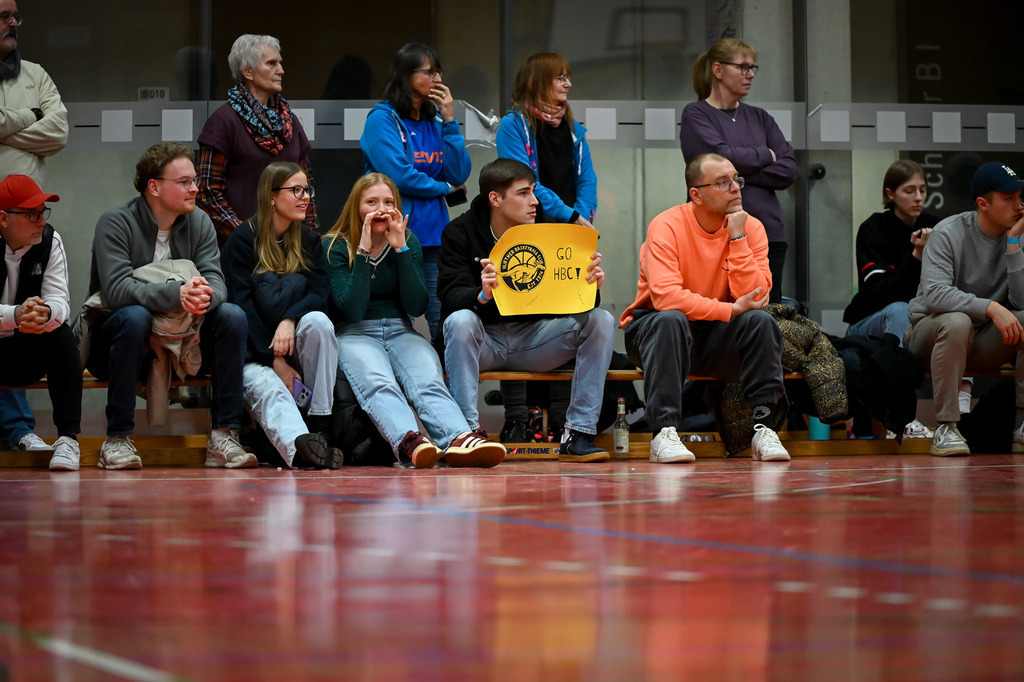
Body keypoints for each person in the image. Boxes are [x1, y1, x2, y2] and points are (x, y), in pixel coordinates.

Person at [86, 142, 253, 470]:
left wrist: (202, 295)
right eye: (185, 182)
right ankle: (116, 441)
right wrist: (177, 294)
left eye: (195, 181)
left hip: (184, 341)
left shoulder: (200, 222)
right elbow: (118, 291)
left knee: (232, 315)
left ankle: (223, 436)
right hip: (118, 342)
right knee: (134, 317)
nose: (195, 189)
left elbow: (218, 284)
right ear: (155, 187)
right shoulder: (115, 223)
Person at [437, 158, 615, 463]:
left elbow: (575, 303)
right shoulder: (460, 231)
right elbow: (449, 297)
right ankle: (464, 434)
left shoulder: (550, 232)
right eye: (523, 193)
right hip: (486, 341)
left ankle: (578, 434)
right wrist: (481, 294)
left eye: (533, 192)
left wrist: (590, 288)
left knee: (601, 319)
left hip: (537, 341)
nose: (534, 201)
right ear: (495, 199)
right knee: (460, 320)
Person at [323, 173, 505, 468]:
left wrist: (401, 249)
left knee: (428, 378)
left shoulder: (408, 242)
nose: (381, 209)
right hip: (354, 332)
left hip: (400, 330)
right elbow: (352, 309)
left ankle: (460, 438)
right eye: (371, 202)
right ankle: (410, 441)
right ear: (356, 207)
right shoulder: (333, 246)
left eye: (388, 202)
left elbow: (417, 305)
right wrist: (364, 249)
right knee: (378, 381)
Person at [621, 153, 790, 463]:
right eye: (722, 182)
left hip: (715, 337)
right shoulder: (666, 225)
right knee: (670, 319)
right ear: (695, 194)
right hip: (655, 331)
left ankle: (764, 429)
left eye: (736, 179)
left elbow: (755, 296)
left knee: (761, 322)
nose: (735, 188)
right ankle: (664, 433)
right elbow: (665, 299)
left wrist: (737, 237)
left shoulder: (751, 228)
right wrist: (729, 310)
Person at [495, 52, 597, 442]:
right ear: (538, 81)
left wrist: (582, 217)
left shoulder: (575, 129)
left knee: (574, 317)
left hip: (571, 236)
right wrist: (568, 215)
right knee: (519, 316)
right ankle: (517, 418)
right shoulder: (513, 125)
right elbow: (524, 180)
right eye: (560, 78)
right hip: (529, 231)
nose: (567, 84)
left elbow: (587, 180)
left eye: (568, 78)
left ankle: (562, 418)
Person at [222, 162, 342, 469]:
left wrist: (289, 320)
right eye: (296, 190)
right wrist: (275, 360)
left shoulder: (309, 240)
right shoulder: (241, 240)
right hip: (253, 354)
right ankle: (303, 450)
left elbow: (320, 293)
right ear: (272, 196)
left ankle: (320, 426)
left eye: (307, 190)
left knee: (318, 321)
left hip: (299, 351)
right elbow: (240, 306)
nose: (305, 197)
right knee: (271, 390)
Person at [904, 161, 1024, 456]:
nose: (1019, 205)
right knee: (957, 321)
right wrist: (991, 307)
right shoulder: (949, 232)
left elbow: (1020, 304)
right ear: (983, 203)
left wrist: (1013, 247)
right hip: (929, 333)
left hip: (982, 342)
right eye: (1008, 199)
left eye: (1020, 197)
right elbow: (934, 295)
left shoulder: (1018, 235)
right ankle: (946, 427)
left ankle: (1021, 426)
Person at [359, 43, 470, 344]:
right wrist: (444, 188)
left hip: (435, 239)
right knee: (395, 326)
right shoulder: (381, 120)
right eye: (429, 71)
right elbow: (399, 177)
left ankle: (444, 387)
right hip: (393, 236)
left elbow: (459, 172)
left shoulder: (436, 122)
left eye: (439, 71)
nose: (437, 78)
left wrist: (449, 120)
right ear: (406, 75)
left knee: (443, 324)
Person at [0, 0, 69, 454]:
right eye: (3, 15)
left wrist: (5, 127)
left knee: (25, 306)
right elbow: (41, 125)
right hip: (4, 213)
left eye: (15, 16)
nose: (13, 23)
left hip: (24, 213)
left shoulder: (35, 75)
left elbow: (59, 131)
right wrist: (30, 118)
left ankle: (19, 429)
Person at [679, 39, 796, 304]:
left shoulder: (761, 117)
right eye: (743, 67)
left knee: (765, 315)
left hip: (767, 232)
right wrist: (766, 155)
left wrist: (733, 172)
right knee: (714, 314)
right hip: (713, 235)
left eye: (752, 67)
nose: (751, 74)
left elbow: (789, 169)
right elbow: (716, 161)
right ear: (718, 70)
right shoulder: (697, 114)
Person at [843, 159, 940, 439]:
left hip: (920, 319)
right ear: (890, 194)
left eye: (922, 189)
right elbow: (881, 292)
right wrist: (917, 256)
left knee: (957, 313)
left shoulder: (936, 226)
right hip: (868, 325)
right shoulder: (873, 228)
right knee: (899, 308)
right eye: (909, 190)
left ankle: (960, 411)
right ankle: (902, 416)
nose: (918, 197)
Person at [197, 34, 317, 247]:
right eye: (271, 63)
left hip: (290, 248)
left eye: (280, 63)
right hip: (242, 250)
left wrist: (310, 239)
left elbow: (306, 186)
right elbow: (208, 192)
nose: (281, 70)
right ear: (248, 71)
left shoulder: (290, 122)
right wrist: (247, 237)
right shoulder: (224, 121)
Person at [0, 175, 80, 470]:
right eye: (32, 214)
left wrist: (45, 313)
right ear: (3, 219)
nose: (41, 221)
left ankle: (68, 440)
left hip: (27, 352)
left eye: (43, 212)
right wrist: (15, 316)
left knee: (62, 335)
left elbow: (60, 300)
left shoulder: (50, 241)